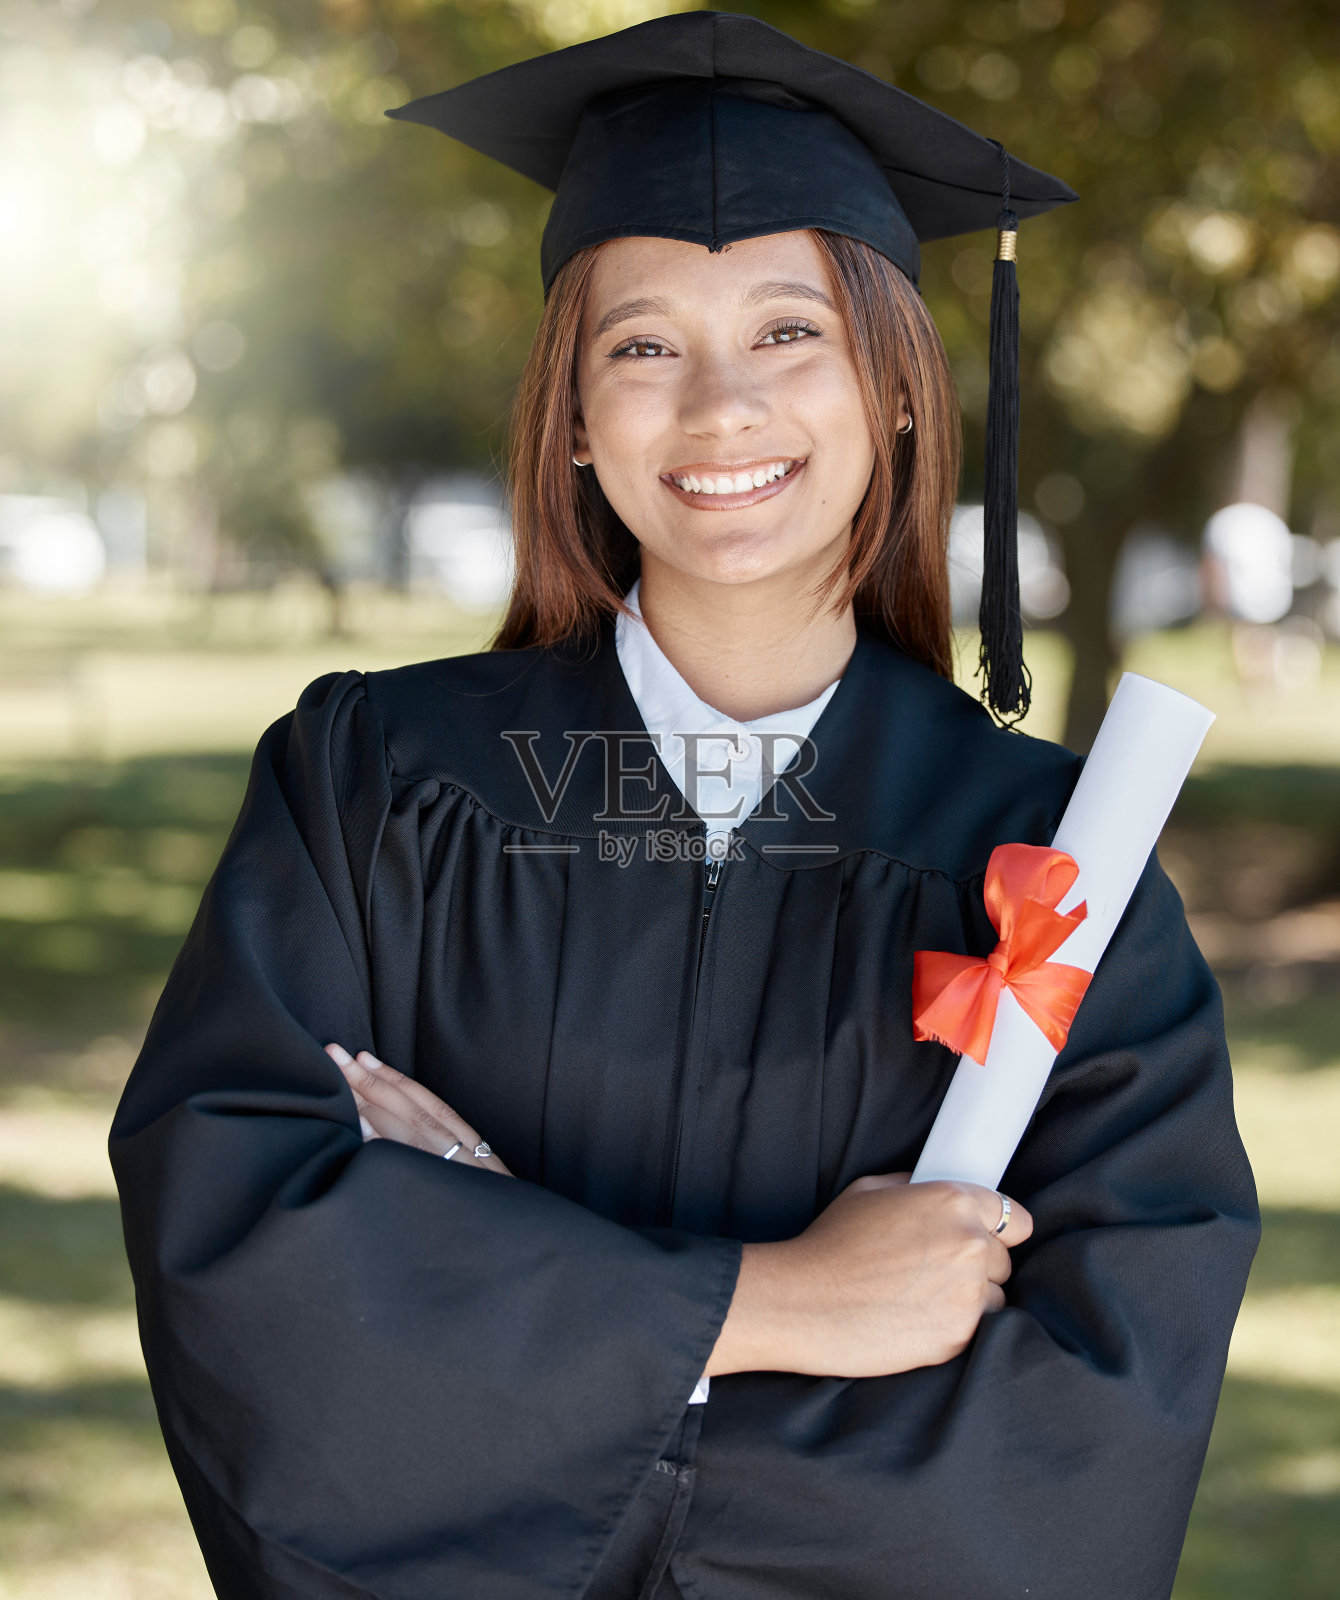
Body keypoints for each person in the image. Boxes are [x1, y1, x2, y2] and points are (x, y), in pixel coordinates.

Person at [109, 13, 1260, 1600]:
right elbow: (253, 1273)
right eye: (641, 346)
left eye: (791, 331)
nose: (720, 407)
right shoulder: (376, 785)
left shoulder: (1060, 869)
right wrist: (776, 1309)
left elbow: (1082, 1447)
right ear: (575, 418)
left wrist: (513, 1303)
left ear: (900, 388)